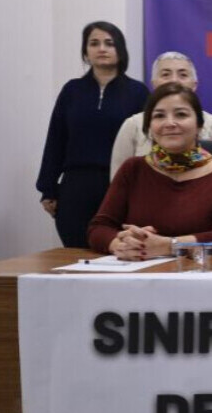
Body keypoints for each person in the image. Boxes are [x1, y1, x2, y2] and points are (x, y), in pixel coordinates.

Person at [87, 83, 212, 259]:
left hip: (197, 271)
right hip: (139, 271)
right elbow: (99, 228)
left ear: (199, 126)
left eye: (181, 114)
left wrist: (170, 245)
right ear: (149, 127)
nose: (169, 123)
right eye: (159, 116)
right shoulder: (132, 169)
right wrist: (121, 245)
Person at [36, 21, 149, 247]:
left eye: (109, 43)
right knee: (75, 251)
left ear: (120, 49)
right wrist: (48, 188)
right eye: (94, 43)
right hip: (75, 185)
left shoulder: (138, 92)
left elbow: (145, 145)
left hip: (119, 184)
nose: (102, 49)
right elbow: (56, 139)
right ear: (85, 51)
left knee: (118, 250)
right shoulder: (72, 90)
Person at [110, 51, 212, 178]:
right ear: (153, 84)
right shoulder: (132, 125)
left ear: (194, 85)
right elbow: (118, 179)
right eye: (166, 74)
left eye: (183, 75)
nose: (174, 80)